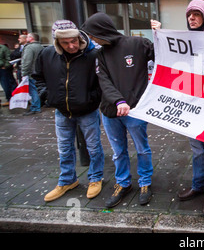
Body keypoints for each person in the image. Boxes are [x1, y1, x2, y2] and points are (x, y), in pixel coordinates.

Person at [151, 0, 204, 216]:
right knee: (197, 151)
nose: (192, 18)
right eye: (189, 15)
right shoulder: (185, 40)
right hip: (191, 106)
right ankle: (199, 185)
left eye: (196, 14)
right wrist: (159, 36)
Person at [82, 12, 155, 208]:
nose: (92, 39)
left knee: (142, 149)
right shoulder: (100, 54)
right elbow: (103, 81)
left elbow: (164, 56)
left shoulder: (138, 44)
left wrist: (160, 34)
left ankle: (145, 182)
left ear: (101, 31)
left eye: (92, 34)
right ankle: (123, 183)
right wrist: (118, 101)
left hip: (135, 111)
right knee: (118, 151)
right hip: (110, 111)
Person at [34, 20, 104, 202]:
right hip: (62, 111)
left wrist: (92, 99)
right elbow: (38, 77)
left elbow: (102, 81)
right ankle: (67, 180)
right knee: (64, 149)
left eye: (74, 41)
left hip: (87, 110)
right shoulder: (47, 54)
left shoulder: (92, 55)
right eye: (65, 43)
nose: (71, 46)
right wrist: (47, 96)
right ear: (57, 42)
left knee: (94, 147)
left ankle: (96, 178)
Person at [21, 32, 43, 115]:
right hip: (38, 72)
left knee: (33, 90)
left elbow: (27, 61)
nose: (26, 39)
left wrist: (24, 73)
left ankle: (35, 107)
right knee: (36, 89)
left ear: (31, 38)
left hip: (31, 73)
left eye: (27, 37)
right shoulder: (41, 47)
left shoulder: (29, 48)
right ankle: (37, 105)